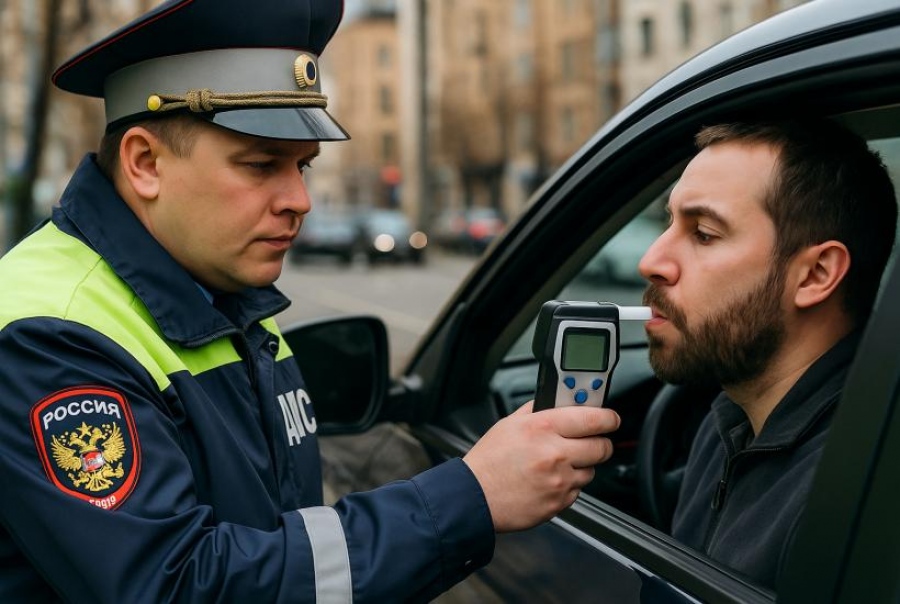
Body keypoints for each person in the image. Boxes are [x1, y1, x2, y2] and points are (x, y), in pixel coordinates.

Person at [0, 1, 621, 602]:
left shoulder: (223, 294)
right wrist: (470, 498)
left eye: (304, 166)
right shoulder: (48, 333)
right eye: (260, 164)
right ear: (145, 163)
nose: (300, 200)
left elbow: (286, 534)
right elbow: (176, 584)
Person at [637, 118, 897, 590]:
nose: (651, 261)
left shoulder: (855, 501)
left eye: (704, 233)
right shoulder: (729, 419)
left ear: (816, 274)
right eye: (667, 222)